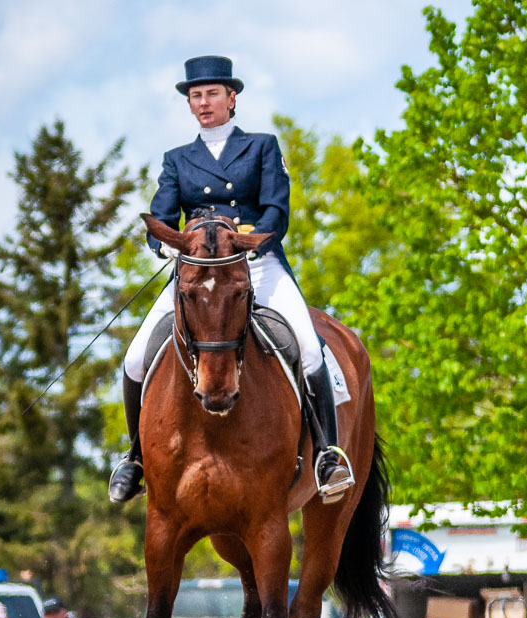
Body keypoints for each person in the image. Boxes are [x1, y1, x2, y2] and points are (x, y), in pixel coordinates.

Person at [109, 54, 353, 506]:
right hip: (198, 272)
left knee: (308, 344)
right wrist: (166, 246)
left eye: (212, 94)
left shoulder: (261, 146)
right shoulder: (177, 159)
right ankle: (135, 457)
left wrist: (251, 240)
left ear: (231, 98)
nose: (204, 103)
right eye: (196, 95)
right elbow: (160, 217)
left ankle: (327, 455)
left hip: (254, 263)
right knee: (135, 356)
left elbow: (277, 209)